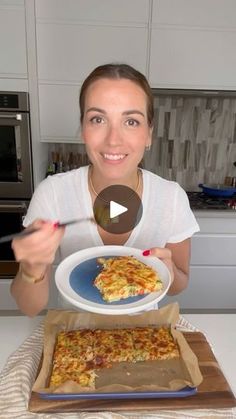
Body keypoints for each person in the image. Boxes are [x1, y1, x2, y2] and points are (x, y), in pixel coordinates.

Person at [11, 63, 199, 317]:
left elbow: (178, 285)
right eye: (98, 119)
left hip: (145, 339)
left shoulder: (172, 197)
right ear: (83, 129)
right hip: (75, 339)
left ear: (148, 134)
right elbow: (29, 307)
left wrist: (169, 271)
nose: (113, 139)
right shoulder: (52, 193)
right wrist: (32, 269)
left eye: (131, 121)